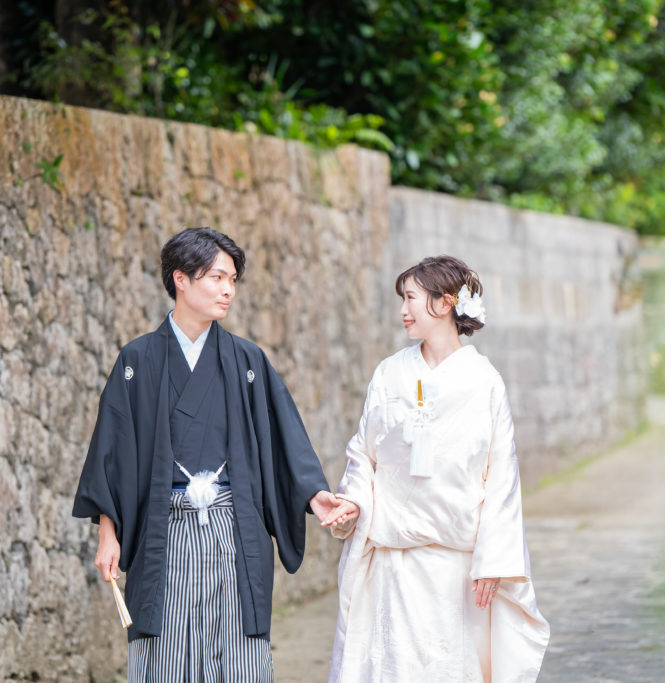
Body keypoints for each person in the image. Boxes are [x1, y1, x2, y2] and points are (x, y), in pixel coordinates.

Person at [71, 227, 342, 682]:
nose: (227, 289)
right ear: (181, 279)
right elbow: (113, 453)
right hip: (165, 529)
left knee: (237, 651)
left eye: (232, 280)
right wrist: (107, 533)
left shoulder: (247, 361)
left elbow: (284, 440)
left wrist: (314, 495)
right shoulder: (137, 360)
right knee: (167, 651)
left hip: (234, 527)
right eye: (217, 277)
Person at [322, 255, 550, 682]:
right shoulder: (390, 373)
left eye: (411, 298)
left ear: (445, 303)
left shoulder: (484, 381)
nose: (403, 310)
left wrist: (493, 559)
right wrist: (353, 501)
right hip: (391, 563)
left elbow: (502, 473)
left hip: (455, 570)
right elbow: (363, 453)